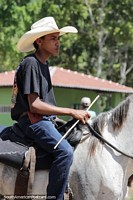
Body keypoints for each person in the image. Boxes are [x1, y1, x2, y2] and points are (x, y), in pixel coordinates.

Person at [11, 17, 90, 200]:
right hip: (33, 120)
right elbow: (35, 105)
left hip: (43, 120)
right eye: (53, 38)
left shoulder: (43, 64)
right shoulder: (31, 63)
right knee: (64, 151)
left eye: (58, 38)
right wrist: (71, 111)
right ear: (39, 41)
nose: (58, 43)